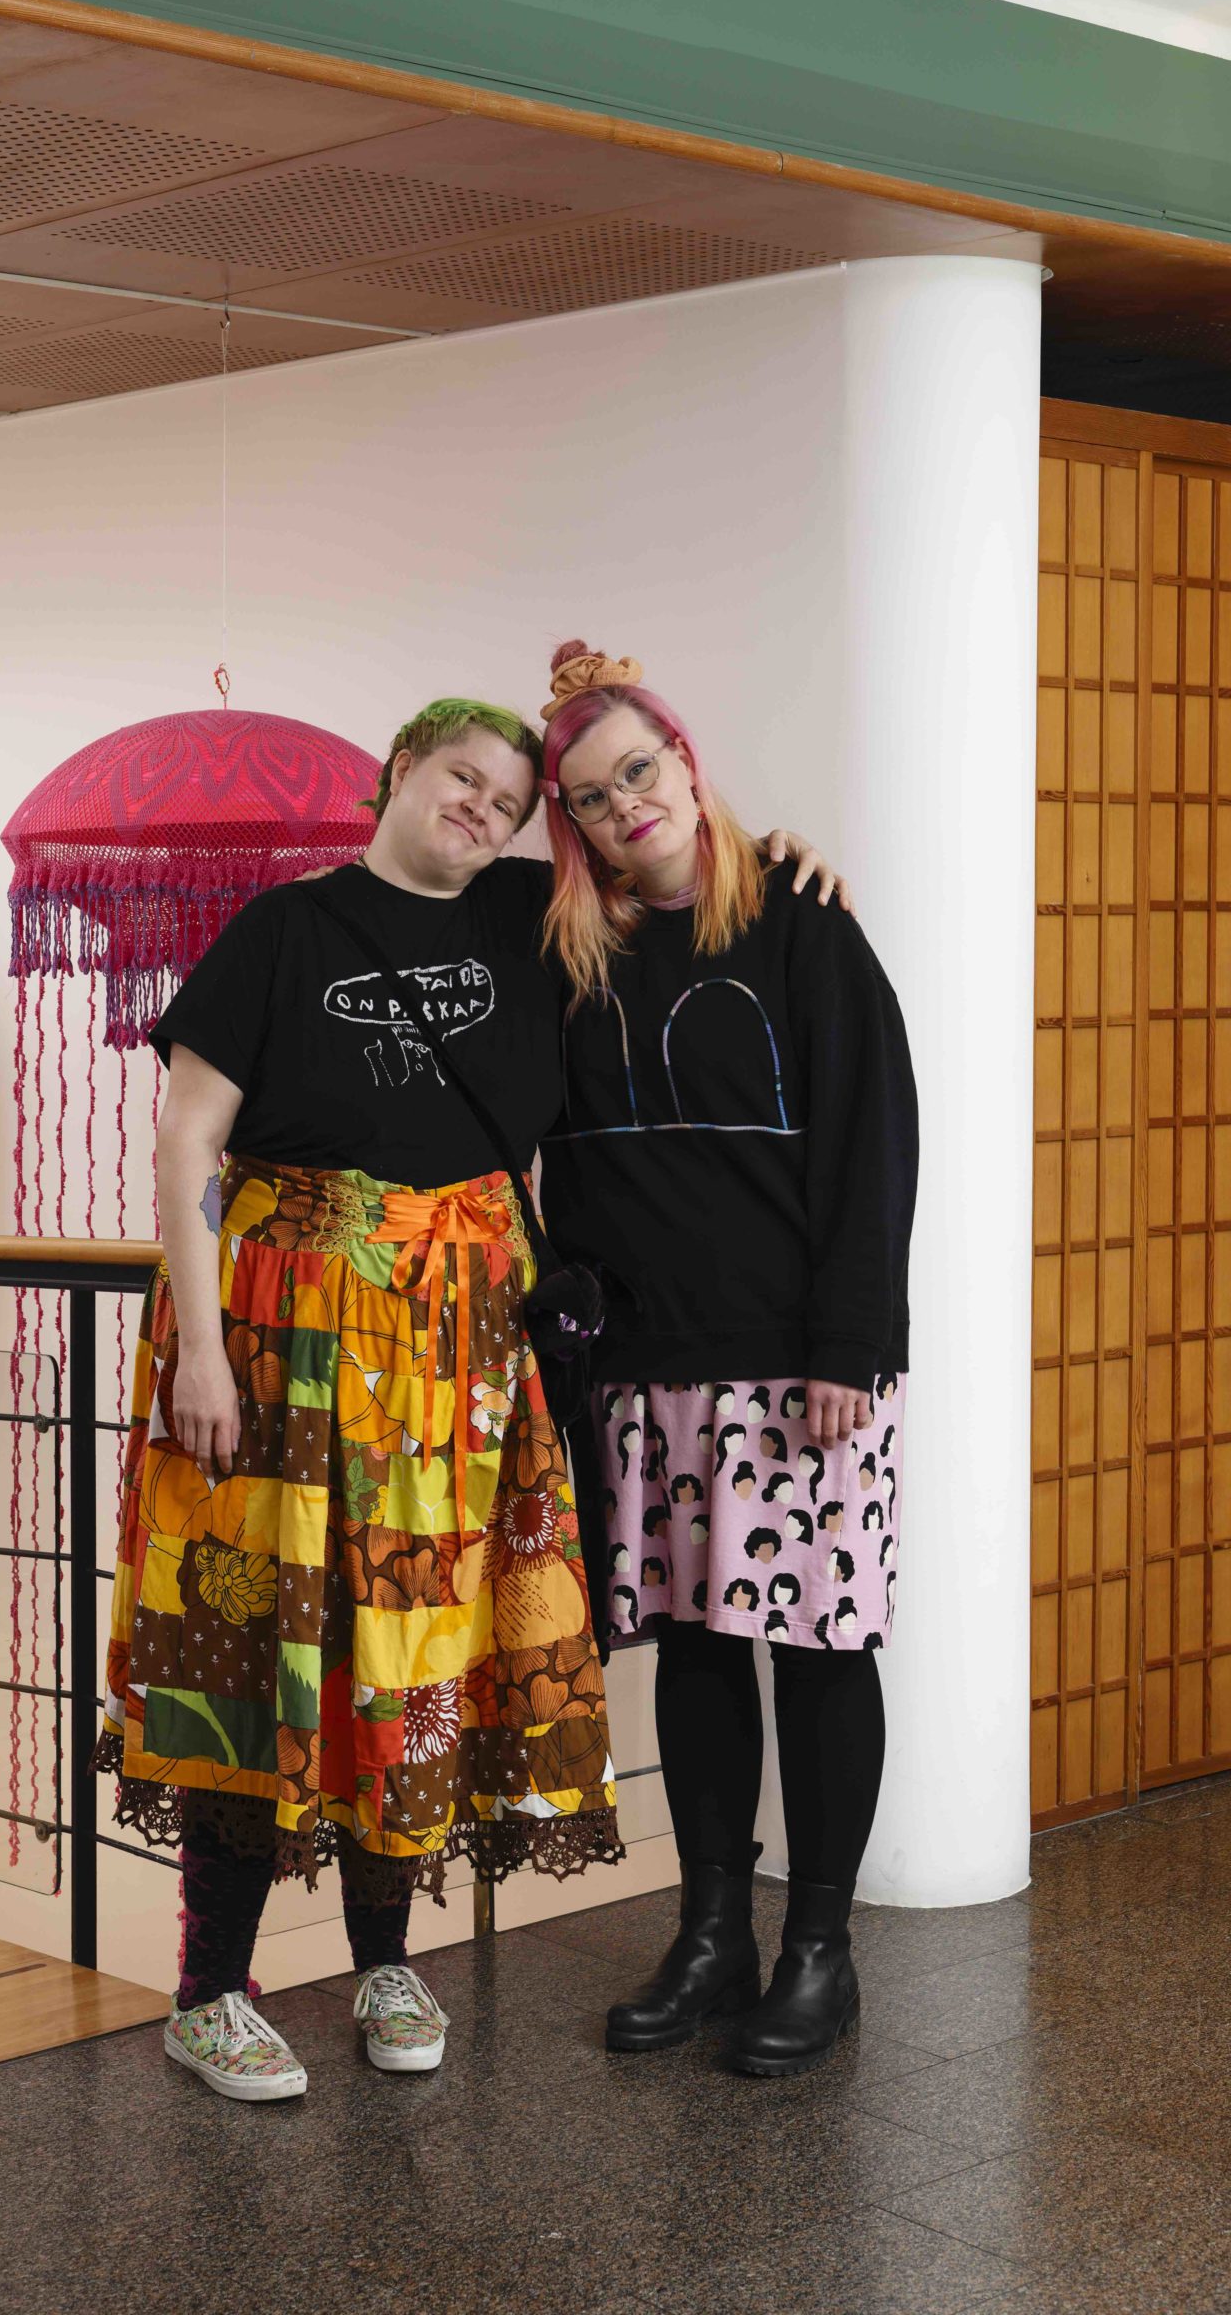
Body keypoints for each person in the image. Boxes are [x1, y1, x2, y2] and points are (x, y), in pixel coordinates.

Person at [94, 690, 844, 2102]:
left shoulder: (532, 919)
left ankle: (385, 1953)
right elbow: (189, 1134)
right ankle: (210, 1988)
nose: (484, 812)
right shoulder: (284, 933)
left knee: (419, 1650)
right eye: (461, 779)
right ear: (400, 769)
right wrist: (199, 1349)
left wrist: (789, 856)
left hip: (459, 1354)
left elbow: (681, 874)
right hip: (281, 1335)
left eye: (509, 801)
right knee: (259, 1646)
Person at [536, 641, 918, 2079]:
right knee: (694, 1652)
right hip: (644, 1365)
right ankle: (714, 1933)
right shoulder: (565, 950)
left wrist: (853, 1347)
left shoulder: (806, 930)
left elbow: (876, 1145)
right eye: (587, 795)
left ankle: (819, 1948)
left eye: (639, 769)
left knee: (821, 1649)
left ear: (687, 762)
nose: (623, 803)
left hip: (798, 1365)